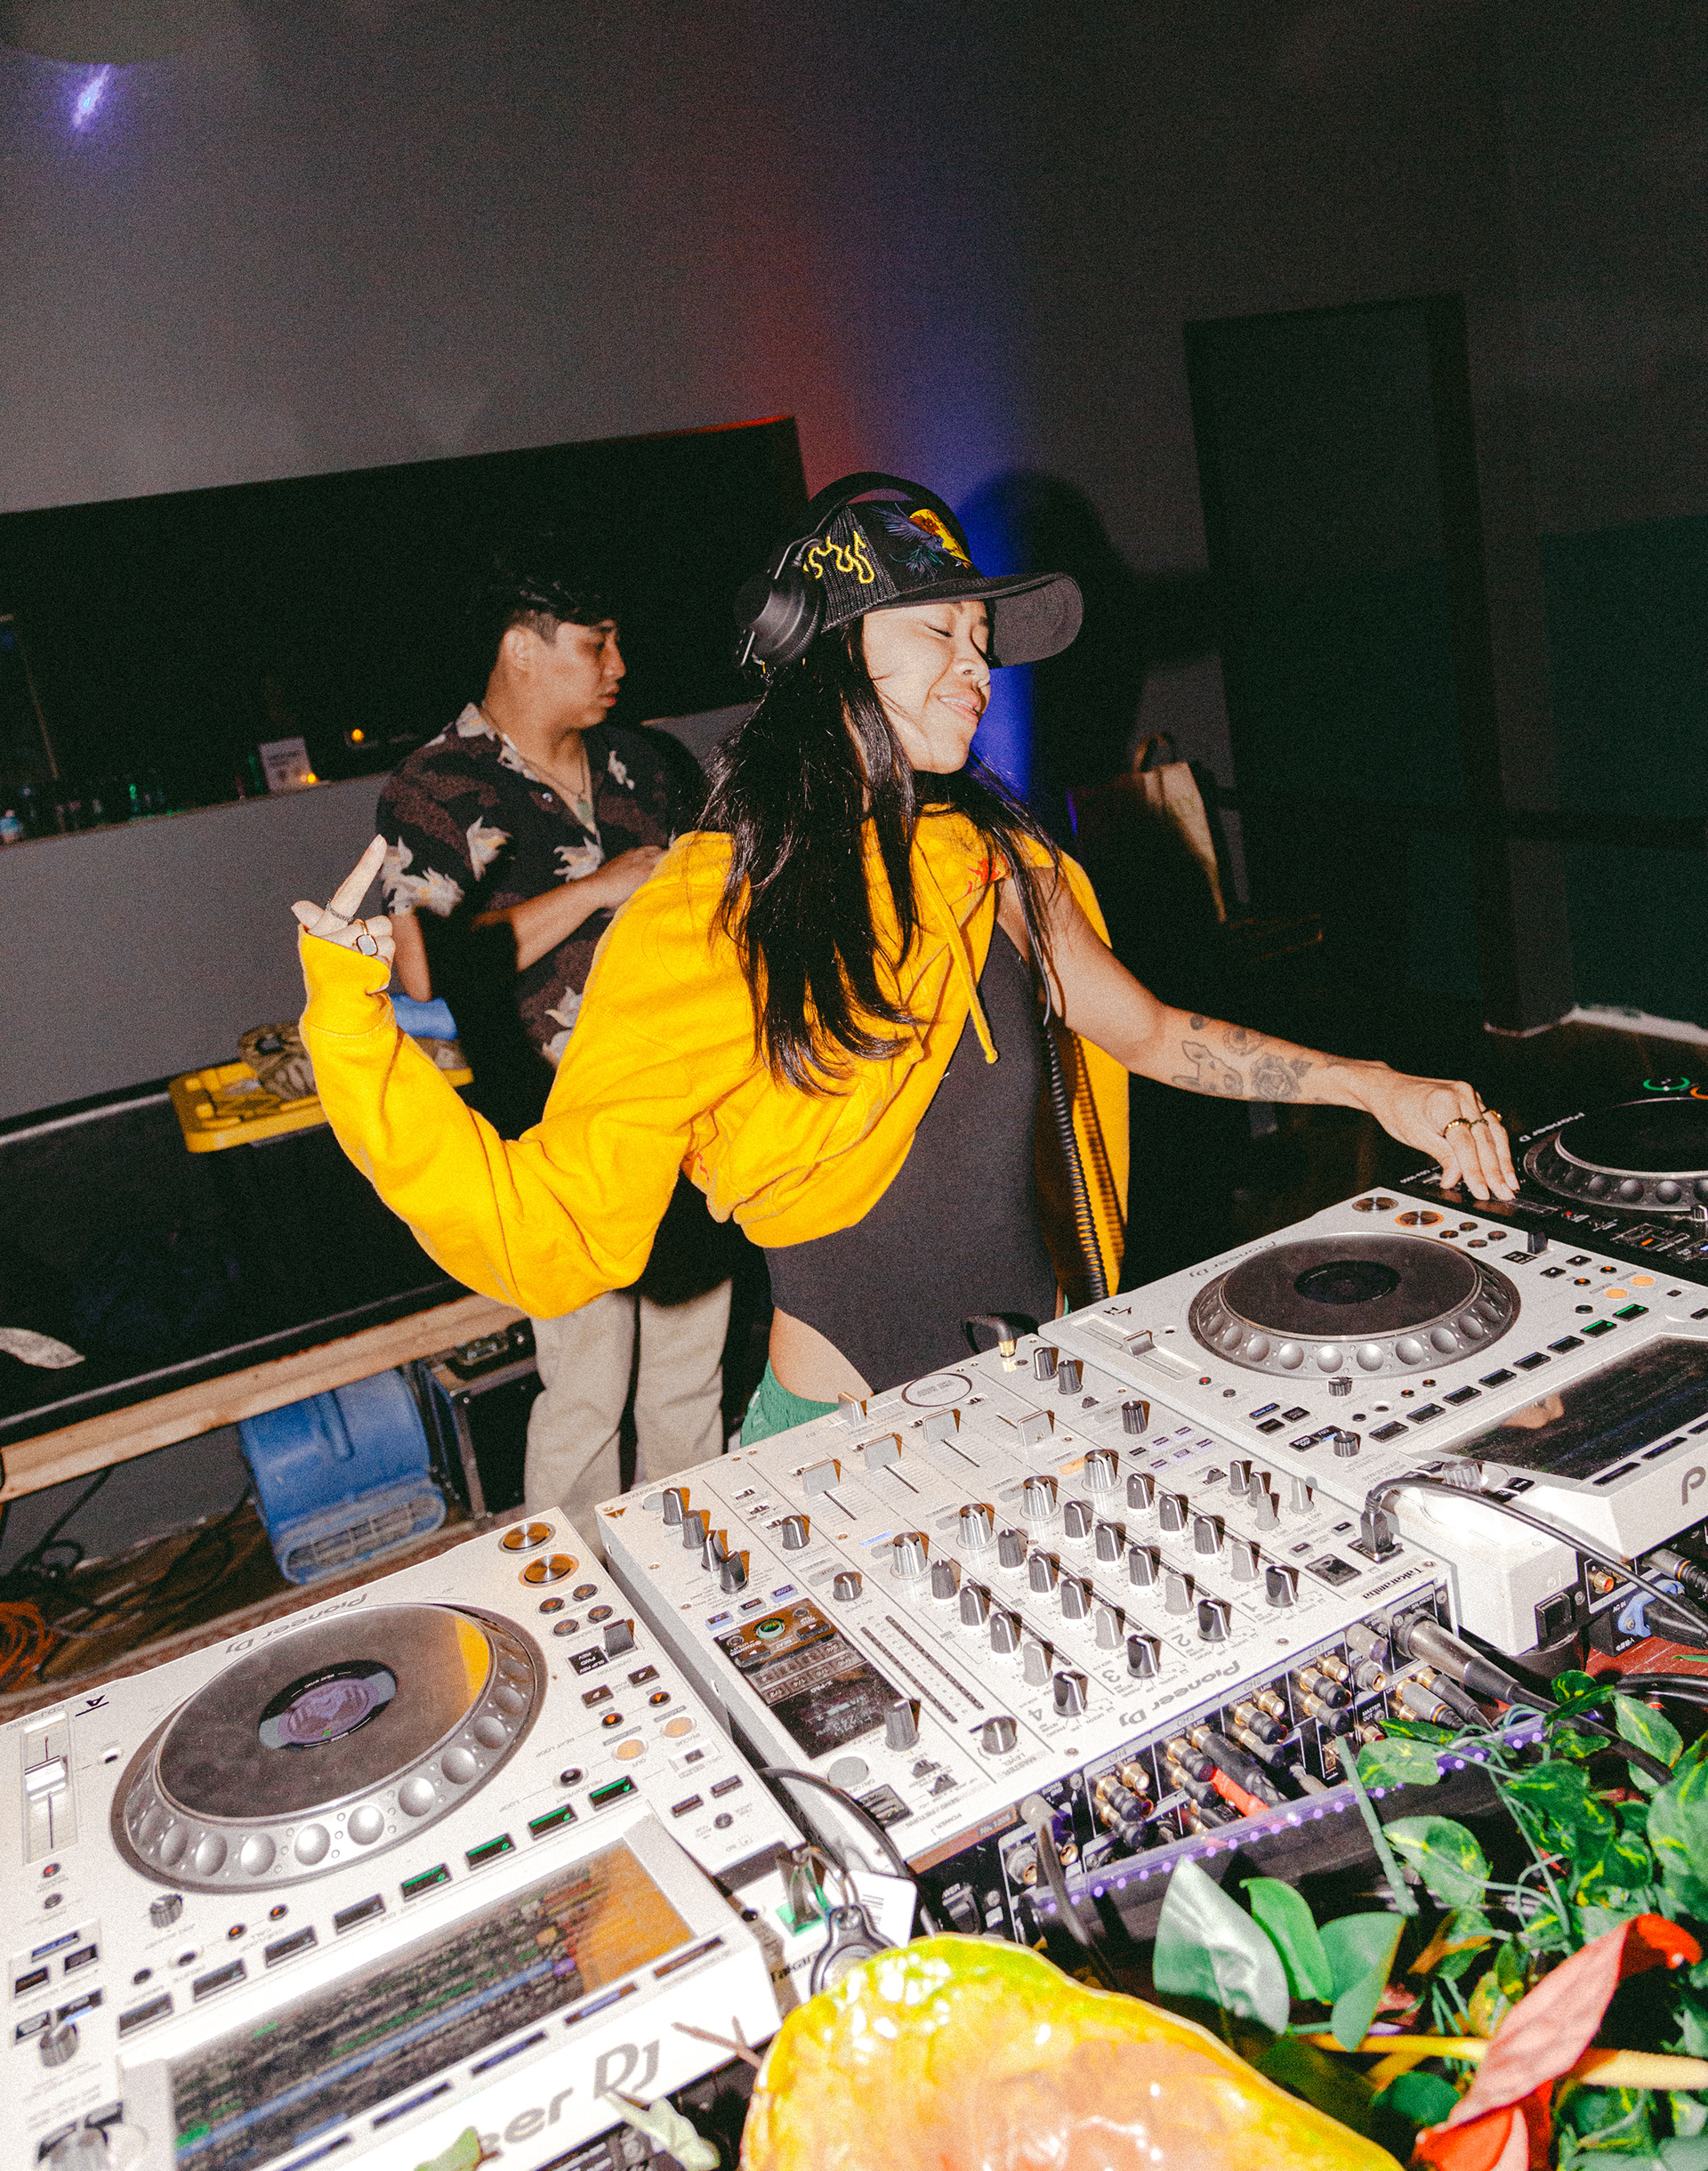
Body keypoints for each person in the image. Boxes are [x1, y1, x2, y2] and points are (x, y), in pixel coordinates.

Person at [295, 475, 1519, 1458]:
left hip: (1044, 1398)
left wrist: (1373, 1086)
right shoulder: (712, 914)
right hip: (840, 1440)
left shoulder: (998, 866)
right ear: (823, 650)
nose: (976, 668)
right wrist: (355, 1038)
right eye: (938, 631)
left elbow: (1150, 1034)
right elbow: (553, 1223)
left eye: (982, 640)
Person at [374, 537, 734, 1528]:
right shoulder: (438, 785)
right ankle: (575, 1580)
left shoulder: (643, 763)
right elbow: (423, 970)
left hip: (679, 1107)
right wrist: (600, 890)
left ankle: (696, 1562)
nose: (619, 664)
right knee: (585, 1391)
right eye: (595, 642)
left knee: (688, 1379)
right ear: (522, 648)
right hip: (555, 1131)